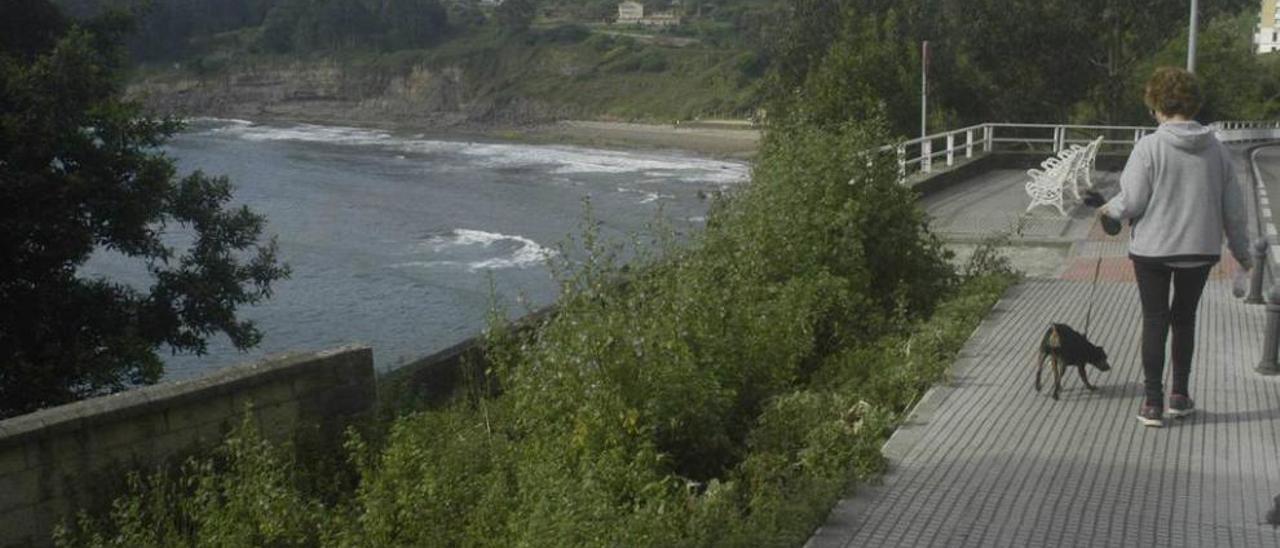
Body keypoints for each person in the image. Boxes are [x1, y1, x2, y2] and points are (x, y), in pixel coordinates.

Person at [1090, 67, 1252, 428]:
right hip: (1199, 249)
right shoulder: (1218, 151)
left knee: (1154, 320)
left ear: (1156, 106)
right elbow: (1234, 211)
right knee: (1184, 319)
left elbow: (1131, 201)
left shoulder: (1148, 147)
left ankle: (1152, 402)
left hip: (1153, 250)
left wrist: (1108, 210)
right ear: (1194, 105)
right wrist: (1243, 255)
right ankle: (1179, 395)